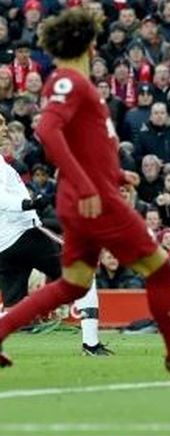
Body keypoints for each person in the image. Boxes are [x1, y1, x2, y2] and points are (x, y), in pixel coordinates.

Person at [0, 9, 170, 374]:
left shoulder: (76, 83)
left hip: (88, 197)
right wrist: (91, 186)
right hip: (93, 202)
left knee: (73, 284)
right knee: (160, 269)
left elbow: (84, 143)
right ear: (89, 43)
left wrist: (117, 173)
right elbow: (48, 132)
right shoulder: (68, 82)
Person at [0, 126, 112, 356]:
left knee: (15, 308)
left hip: (4, 245)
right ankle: (91, 344)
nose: (4, 128)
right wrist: (27, 204)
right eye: (0, 123)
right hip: (24, 234)